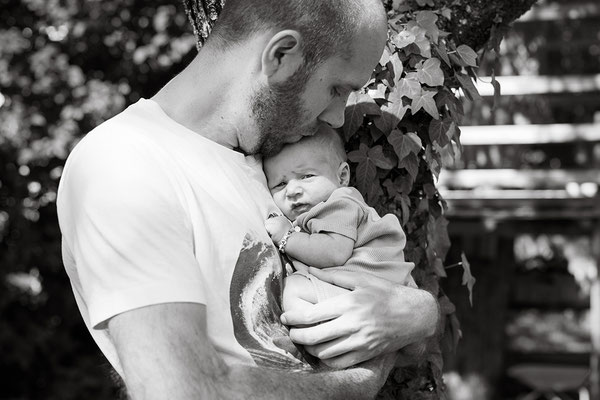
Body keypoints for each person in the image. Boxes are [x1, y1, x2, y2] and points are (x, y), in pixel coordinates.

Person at [57, 0, 439, 398]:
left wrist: (419, 313)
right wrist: (360, 383)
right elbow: (184, 390)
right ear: (281, 56)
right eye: (336, 89)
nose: (339, 118)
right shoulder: (125, 166)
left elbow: (381, 303)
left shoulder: (278, 162)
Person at [263, 126, 417, 313]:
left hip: (377, 289)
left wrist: (287, 236)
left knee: (293, 289)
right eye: (280, 184)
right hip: (369, 292)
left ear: (342, 176)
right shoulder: (318, 211)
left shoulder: (341, 202)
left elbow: (334, 252)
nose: (293, 190)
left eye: (307, 176)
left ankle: (316, 338)